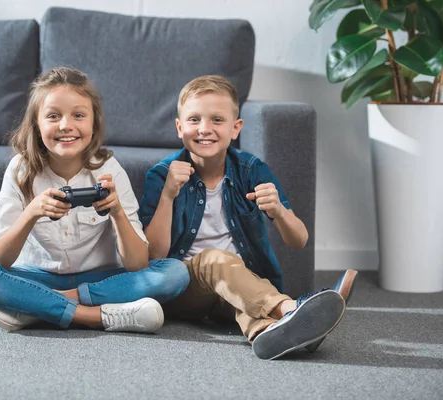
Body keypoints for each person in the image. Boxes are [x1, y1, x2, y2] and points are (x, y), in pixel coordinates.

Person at [139, 75, 358, 359]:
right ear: (180, 128)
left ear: (235, 128)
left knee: (246, 297)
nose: (205, 129)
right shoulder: (162, 174)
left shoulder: (251, 169)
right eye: (194, 120)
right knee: (215, 260)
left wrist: (278, 210)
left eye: (217, 120)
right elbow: (152, 255)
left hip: (238, 285)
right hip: (183, 291)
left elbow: (299, 240)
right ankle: (292, 309)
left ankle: (273, 332)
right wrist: (168, 195)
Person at [0, 67, 189, 333]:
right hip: (37, 277)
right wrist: (32, 212)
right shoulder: (21, 169)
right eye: (53, 116)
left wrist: (117, 214)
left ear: (93, 123)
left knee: (174, 273)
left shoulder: (110, 169)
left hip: (99, 279)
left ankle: (38, 307)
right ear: (37, 123)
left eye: (78, 115)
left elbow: (138, 264)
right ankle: (97, 316)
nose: (66, 125)